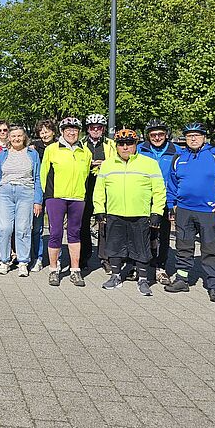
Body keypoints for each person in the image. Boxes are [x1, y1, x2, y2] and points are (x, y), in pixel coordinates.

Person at [164, 122, 215, 303]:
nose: (193, 138)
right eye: (189, 136)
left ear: (204, 137)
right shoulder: (179, 157)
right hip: (184, 211)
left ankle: (214, 284)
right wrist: (171, 204)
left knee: (210, 249)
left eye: (197, 135)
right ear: (185, 138)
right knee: (183, 247)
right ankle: (182, 279)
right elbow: (172, 184)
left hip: (208, 212)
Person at [94, 129, 166, 296]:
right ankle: (115, 276)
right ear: (116, 146)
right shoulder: (108, 164)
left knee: (141, 248)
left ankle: (143, 279)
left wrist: (156, 211)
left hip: (140, 214)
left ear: (136, 145)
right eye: (121, 144)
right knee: (114, 247)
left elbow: (159, 190)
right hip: (114, 213)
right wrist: (99, 209)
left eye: (129, 144)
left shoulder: (149, 163)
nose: (125, 147)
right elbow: (99, 190)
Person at [40, 117, 92, 287]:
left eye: (75, 130)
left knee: (74, 233)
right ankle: (53, 270)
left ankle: (75, 271)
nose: (72, 132)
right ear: (62, 131)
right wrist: (48, 196)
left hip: (77, 197)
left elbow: (85, 175)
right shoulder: (52, 149)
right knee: (55, 233)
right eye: (68, 129)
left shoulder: (85, 152)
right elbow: (44, 173)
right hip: (56, 196)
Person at [0, 125, 43, 277]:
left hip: (26, 192)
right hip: (5, 192)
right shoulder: (3, 154)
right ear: (9, 138)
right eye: (13, 136)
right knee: (4, 228)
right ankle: (4, 261)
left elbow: (38, 178)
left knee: (23, 228)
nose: (16, 139)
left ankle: (23, 262)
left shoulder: (32, 154)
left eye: (19, 136)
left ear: (24, 137)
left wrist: (37, 200)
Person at [137, 119, 182, 285]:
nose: (157, 137)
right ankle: (139, 265)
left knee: (163, 234)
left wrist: (175, 200)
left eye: (160, 134)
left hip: (165, 198)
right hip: (143, 197)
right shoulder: (140, 149)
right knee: (141, 233)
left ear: (166, 134)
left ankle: (160, 267)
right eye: (153, 134)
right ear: (148, 136)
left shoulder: (176, 151)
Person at [81, 114, 117, 272]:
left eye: (99, 127)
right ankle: (84, 257)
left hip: (105, 188)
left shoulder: (111, 144)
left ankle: (105, 258)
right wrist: (90, 165)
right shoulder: (80, 144)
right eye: (92, 127)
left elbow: (117, 162)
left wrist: (106, 165)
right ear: (88, 129)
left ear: (103, 129)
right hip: (85, 187)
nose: (95, 130)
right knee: (83, 223)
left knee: (104, 223)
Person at [29, 119, 58, 271]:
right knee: (37, 227)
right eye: (42, 132)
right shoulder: (34, 148)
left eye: (47, 131)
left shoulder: (60, 147)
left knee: (55, 227)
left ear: (53, 131)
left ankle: (56, 259)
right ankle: (38, 257)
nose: (44, 134)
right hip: (39, 190)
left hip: (55, 190)